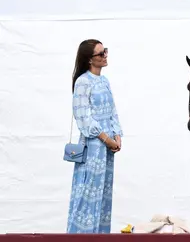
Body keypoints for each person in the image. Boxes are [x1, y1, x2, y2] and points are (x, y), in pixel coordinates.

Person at [67, 39, 123, 233]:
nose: (105, 56)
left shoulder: (104, 81)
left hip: (108, 147)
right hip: (93, 146)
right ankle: (80, 235)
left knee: (104, 192)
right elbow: (83, 117)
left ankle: (100, 235)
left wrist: (117, 134)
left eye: (105, 51)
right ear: (90, 60)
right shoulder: (83, 82)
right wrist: (105, 138)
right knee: (87, 192)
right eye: (101, 54)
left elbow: (112, 110)